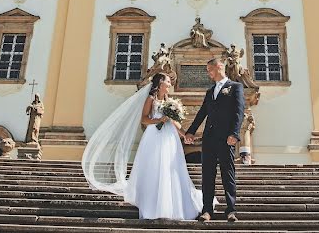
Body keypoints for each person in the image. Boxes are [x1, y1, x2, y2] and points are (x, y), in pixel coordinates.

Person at [82, 73, 204, 220]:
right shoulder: (151, 99)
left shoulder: (169, 101)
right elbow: (144, 119)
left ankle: (170, 200)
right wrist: (159, 119)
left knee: (170, 168)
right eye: (168, 81)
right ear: (160, 83)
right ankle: (152, 201)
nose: (170, 84)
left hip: (170, 138)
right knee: (155, 167)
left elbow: (174, 122)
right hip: (155, 137)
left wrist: (185, 135)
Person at [184, 57, 245, 222]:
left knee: (228, 174)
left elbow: (239, 112)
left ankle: (231, 210)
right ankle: (207, 211)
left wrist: (234, 133)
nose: (208, 73)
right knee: (207, 176)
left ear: (219, 67)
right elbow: (202, 113)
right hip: (209, 139)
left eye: (209, 70)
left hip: (226, 138)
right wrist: (190, 132)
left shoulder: (235, 87)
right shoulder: (210, 91)